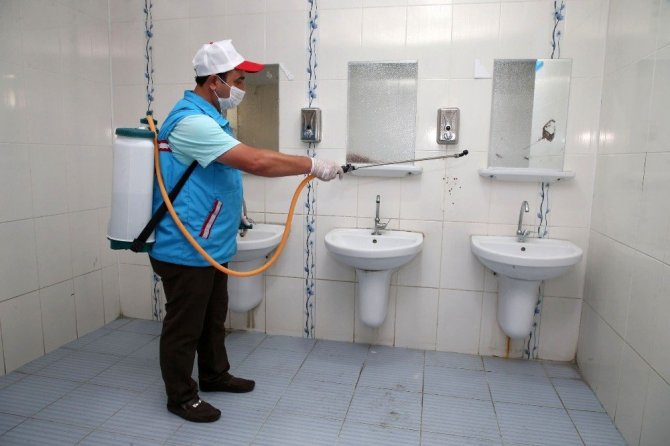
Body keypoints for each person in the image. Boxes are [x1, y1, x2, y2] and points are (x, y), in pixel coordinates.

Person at [149, 39, 342, 423]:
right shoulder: (191, 123)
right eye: (237, 80)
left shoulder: (210, 118)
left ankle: (214, 375)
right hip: (186, 247)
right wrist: (311, 164)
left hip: (209, 244)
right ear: (214, 81)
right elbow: (255, 161)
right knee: (184, 327)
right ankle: (181, 397)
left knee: (212, 319)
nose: (242, 87)